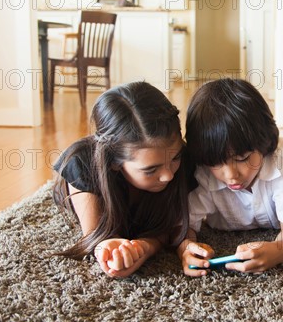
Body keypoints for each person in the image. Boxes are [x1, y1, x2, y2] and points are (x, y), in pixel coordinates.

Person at [178, 78, 283, 276]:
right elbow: (185, 229)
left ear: (264, 143)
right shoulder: (201, 169)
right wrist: (186, 248)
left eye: (243, 158)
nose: (231, 175)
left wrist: (279, 250)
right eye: (216, 164)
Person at [53, 81, 189, 278]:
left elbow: (173, 226)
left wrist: (145, 247)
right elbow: (94, 235)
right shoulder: (82, 164)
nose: (168, 175)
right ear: (114, 162)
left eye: (175, 158)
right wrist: (107, 247)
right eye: (151, 169)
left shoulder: (183, 159)